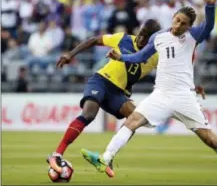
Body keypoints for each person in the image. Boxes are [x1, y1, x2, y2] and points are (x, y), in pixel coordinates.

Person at [82, 0, 217, 184]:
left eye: (183, 23)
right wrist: (121, 58)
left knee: (210, 139)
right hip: (160, 94)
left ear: (189, 26)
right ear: (172, 17)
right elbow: (141, 57)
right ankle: (105, 158)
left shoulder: (192, 36)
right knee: (132, 121)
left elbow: (209, 26)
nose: (178, 25)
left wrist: (210, 5)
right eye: (176, 20)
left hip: (183, 96)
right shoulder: (158, 37)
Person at [47, 18, 206, 174]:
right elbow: (94, 40)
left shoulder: (155, 55)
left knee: (134, 119)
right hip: (101, 81)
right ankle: (57, 154)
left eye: (147, 36)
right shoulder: (123, 38)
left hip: (118, 93)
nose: (142, 38)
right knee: (89, 114)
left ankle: (107, 158)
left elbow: (175, 70)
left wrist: (191, 86)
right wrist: (70, 54)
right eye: (141, 33)